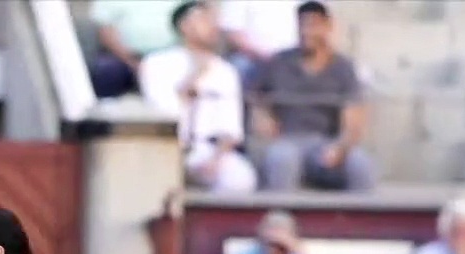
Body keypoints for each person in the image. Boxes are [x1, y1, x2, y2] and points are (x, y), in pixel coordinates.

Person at [248, 1, 373, 193]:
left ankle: (361, 221)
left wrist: (340, 148)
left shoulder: (343, 67)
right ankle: (280, 218)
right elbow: (254, 97)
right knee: (282, 158)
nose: (306, 32)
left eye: (313, 25)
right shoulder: (278, 62)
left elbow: (354, 121)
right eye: (302, 26)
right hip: (287, 140)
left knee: (360, 163)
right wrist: (262, 117)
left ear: (328, 27)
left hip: (326, 143)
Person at [139, 0, 256, 195]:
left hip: (209, 151)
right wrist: (196, 75)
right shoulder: (156, 63)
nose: (212, 26)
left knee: (241, 179)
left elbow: (231, 129)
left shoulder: (226, 70)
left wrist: (215, 161)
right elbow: (163, 112)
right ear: (184, 26)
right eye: (204, 20)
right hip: (166, 148)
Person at [87, 0, 178, 99]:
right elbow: (105, 31)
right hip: (124, 56)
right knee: (105, 70)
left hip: (171, 53)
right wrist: (132, 62)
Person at [217, 0, 298, 82]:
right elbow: (233, 34)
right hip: (252, 58)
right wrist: (265, 56)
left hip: (295, 58)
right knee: (238, 66)